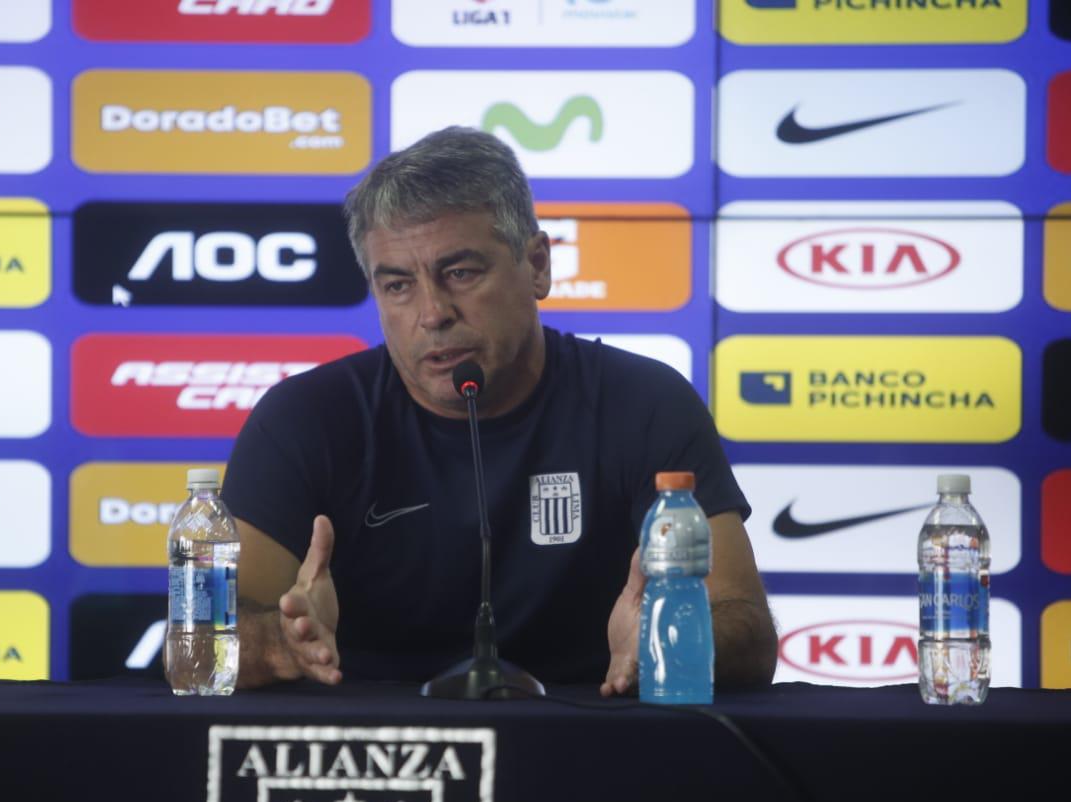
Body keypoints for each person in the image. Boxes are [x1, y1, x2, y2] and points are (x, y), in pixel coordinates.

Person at [222, 126, 778, 694]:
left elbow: (748, 630)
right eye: (397, 286)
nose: (433, 313)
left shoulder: (644, 404)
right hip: (372, 760)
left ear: (537, 265)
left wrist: (668, 639)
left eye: (460, 273)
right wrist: (277, 644)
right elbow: (200, 642)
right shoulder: (305, 418)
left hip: (590, 743)